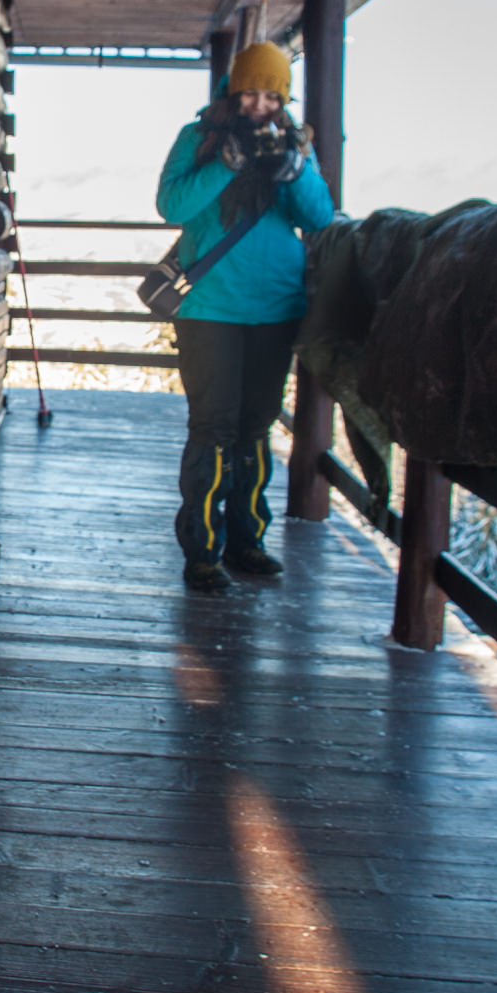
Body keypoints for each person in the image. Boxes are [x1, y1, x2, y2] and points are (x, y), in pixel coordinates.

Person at [155, 41, 334, 589]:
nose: (259, 103)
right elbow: (172, 206)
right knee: (213, 428)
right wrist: (226, 165)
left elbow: (320, 215)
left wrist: (295, 170)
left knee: (255, 429)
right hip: (210, 306)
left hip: (276, 308)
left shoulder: (294, 145)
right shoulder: (200, 138)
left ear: (282, 98)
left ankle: (248, 541)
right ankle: (203, 551)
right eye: (251, 91)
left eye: (270, 94)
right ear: (234, 90)